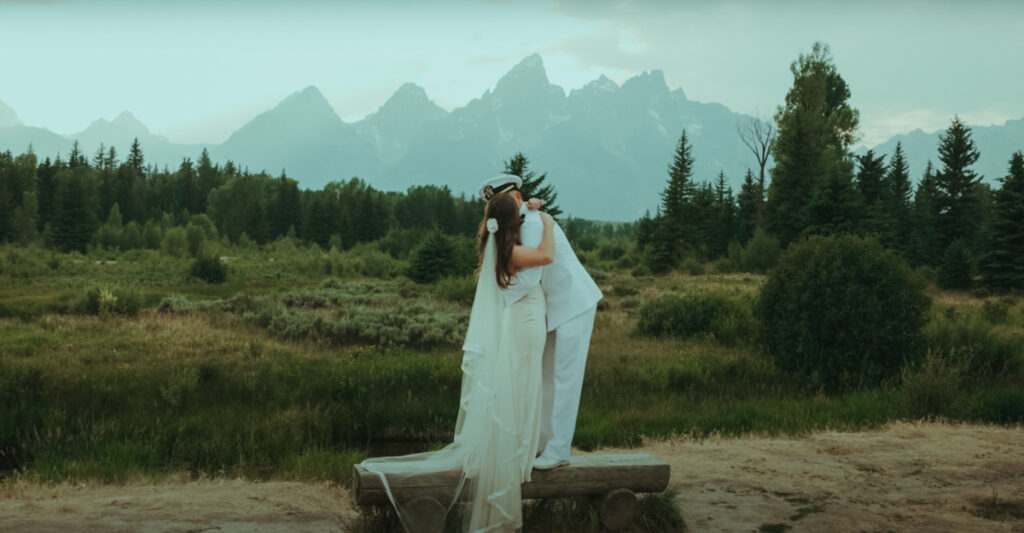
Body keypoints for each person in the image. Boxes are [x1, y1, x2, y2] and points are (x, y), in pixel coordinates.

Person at [359, 176, 556, 533]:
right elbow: (546, 255)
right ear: (510, 217)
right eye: (517, 202)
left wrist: (530, 213)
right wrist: (548, 223)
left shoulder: (500, 243)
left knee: (522, 382)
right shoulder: (511, 251)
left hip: (525, 318)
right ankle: (518, 461)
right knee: (525, 381)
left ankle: (521, 455)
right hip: (527, 321)